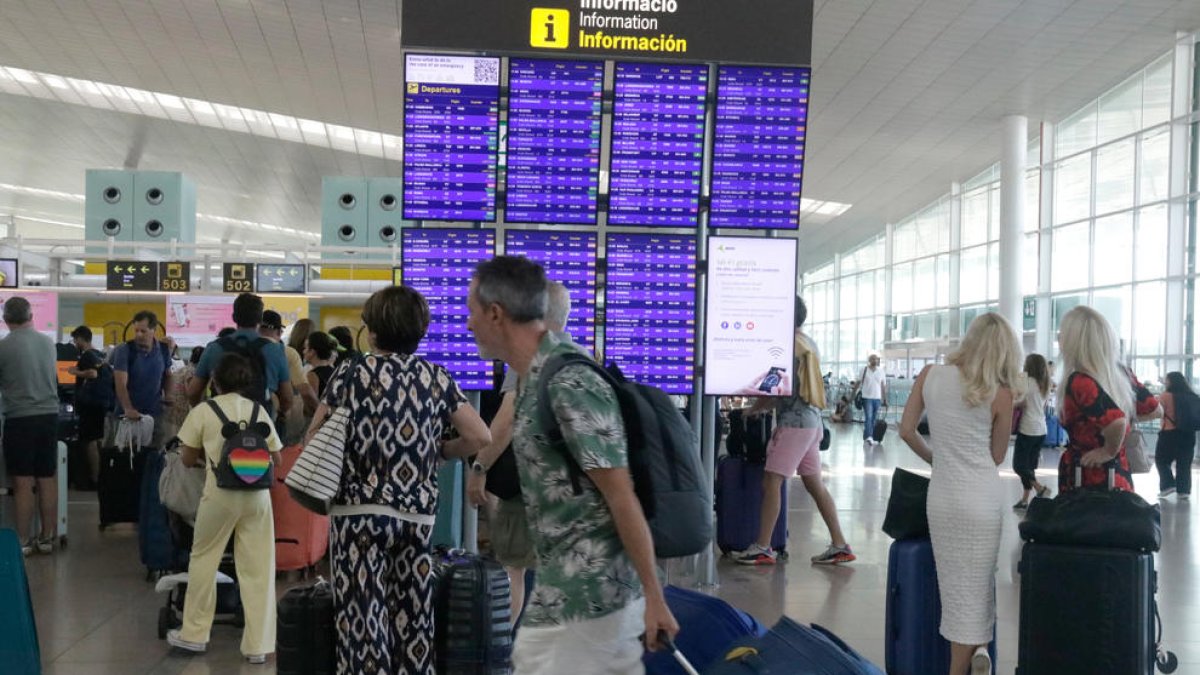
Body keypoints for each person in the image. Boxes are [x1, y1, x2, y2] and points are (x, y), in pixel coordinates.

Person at [466, 256, 678, 674]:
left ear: (496, 313)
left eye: (472, 312)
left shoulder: (568, 381)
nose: (468, 324)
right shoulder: (534, 375)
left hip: (591, 597)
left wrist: (655, 598)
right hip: (565, 587)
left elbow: (621, 495)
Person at [304, 286, 489, 675]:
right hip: (417, 517)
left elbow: (313, 439)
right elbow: (479, 436)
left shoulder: (351, 373)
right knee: (415, 619)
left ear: (371, 332)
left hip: (358, 515)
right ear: (419, 331)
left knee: (363, 624)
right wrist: (440, 451)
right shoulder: (435, 377)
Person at [898, 312, 1023, 675]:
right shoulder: (1000, 394)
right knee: (980, 579)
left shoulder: (929, 376)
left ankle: (980, 648)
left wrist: (937, 459)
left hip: (944, 496)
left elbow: (906, 430)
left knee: (955, 588)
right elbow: (996, 457)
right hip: (981, 498)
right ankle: (968, 659)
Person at [467, 280, 576, 623]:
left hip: (533, 489)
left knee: (512, 569)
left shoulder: (532, 357)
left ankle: (503, 652)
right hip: (573, 491)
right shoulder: (580, 355)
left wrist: (479, 468)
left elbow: (507, 421)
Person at [166, 353, 283, 664]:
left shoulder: (204, 411)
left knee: (204, 559)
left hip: (219, 496)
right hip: (257, 498)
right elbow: (278, 459)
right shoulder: (259, 410)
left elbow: (187, 459)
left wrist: (212, 460)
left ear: (214, 381)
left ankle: (194, 635)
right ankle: (258, 645)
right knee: (258, 568)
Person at [734, 296, 854, 566]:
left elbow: (774, 386)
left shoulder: (786, 346)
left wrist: (752, 409)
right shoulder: (807, 342)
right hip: (812, 421)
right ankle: (839, 544)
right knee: (815, 484)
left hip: (794, 424)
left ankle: (763, 546)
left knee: (772, 481)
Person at [1056, 306, 1160, 493]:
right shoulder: (1120, 374)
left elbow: (1117, 422)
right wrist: (1124, 419)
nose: (1059, 340)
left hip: (1088, 476)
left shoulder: (1080, 381)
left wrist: (1108, 450)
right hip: (1118, 475)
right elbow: (1155, 410)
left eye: (1062, 334)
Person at [0, 297, 61, 555]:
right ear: (31, 316)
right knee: (47, 478)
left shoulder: (3, 347)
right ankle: (47, 538)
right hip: (49, 417)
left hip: (19, 418)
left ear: (5, 320)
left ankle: (23, 540)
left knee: (23, 482)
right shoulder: (48, 343)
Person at [188, 293, 293, 420]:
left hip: (220, 422)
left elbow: (193, 392)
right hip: (259, 423)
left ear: (234, 317)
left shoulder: (214, 348)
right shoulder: (275, 350)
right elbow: (287, 397)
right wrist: (280, 413)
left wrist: (202, 412)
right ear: (260, 319)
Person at [109, 311, 173, 446]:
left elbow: (168, 375)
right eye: (136, 330)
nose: (138, 334)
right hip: (127, 416)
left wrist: (168, 395)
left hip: (154, 414)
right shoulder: (124, 350)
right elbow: (120, 383)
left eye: (143, 331)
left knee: (154, 455)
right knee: (126, 458)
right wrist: (128, 408)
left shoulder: (163, 350)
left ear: (154, 330)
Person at [259, 310, 317, 443]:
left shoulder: (240, 348)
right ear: (279, 331)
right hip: (270, 414)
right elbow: (303, 391)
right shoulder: (286, 353)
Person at [68, 325, 109, 486]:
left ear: (80, 339)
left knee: (89, 441)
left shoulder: (87, 355)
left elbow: (92, 373)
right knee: (98, 440)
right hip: (100, 404)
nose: (74, 343)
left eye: (75, 340)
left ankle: (94, 478)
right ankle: (101, 476)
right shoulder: (100, 354)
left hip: (89, 405)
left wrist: (75, 372)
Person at [1012, 354, 1052, 509]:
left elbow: (1020, 402)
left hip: (1027, 429)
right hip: (1041, 429)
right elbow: (1040, 406)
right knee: (1029, 466)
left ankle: (1039, 488)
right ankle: (1024, 500)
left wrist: (1010, 405)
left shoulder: (1025, 381)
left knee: (1019, 466)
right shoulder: (1045, 384)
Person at [1156, 372, 1197, 499]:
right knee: (1184, 462)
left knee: (1161, 460)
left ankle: (1168, 485)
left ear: (1171, 382)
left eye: (1167, 380)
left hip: (1169, 433)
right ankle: (1183, 491)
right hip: (1189, 433)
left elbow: (1157, 412)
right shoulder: (1192, 395)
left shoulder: (1165, 396)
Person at [853, 354, 887, 444]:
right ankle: (869, 437)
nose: (875, 361)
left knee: (873, 418)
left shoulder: (881, 371)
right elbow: (858, 382)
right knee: (869, 417)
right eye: (872, 359)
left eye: (876, 359)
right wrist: (853, 394)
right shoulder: (864, 370)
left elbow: (883, 386)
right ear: (869, 360)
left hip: (877, 398)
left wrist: (885, 399)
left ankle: (866, 435)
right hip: (866, 397)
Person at [301, 331, 339, 403]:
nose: (303, 352)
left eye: (305, 348)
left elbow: (312, 403)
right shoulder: (335, 370)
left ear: (312, 351)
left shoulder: (312, 374)